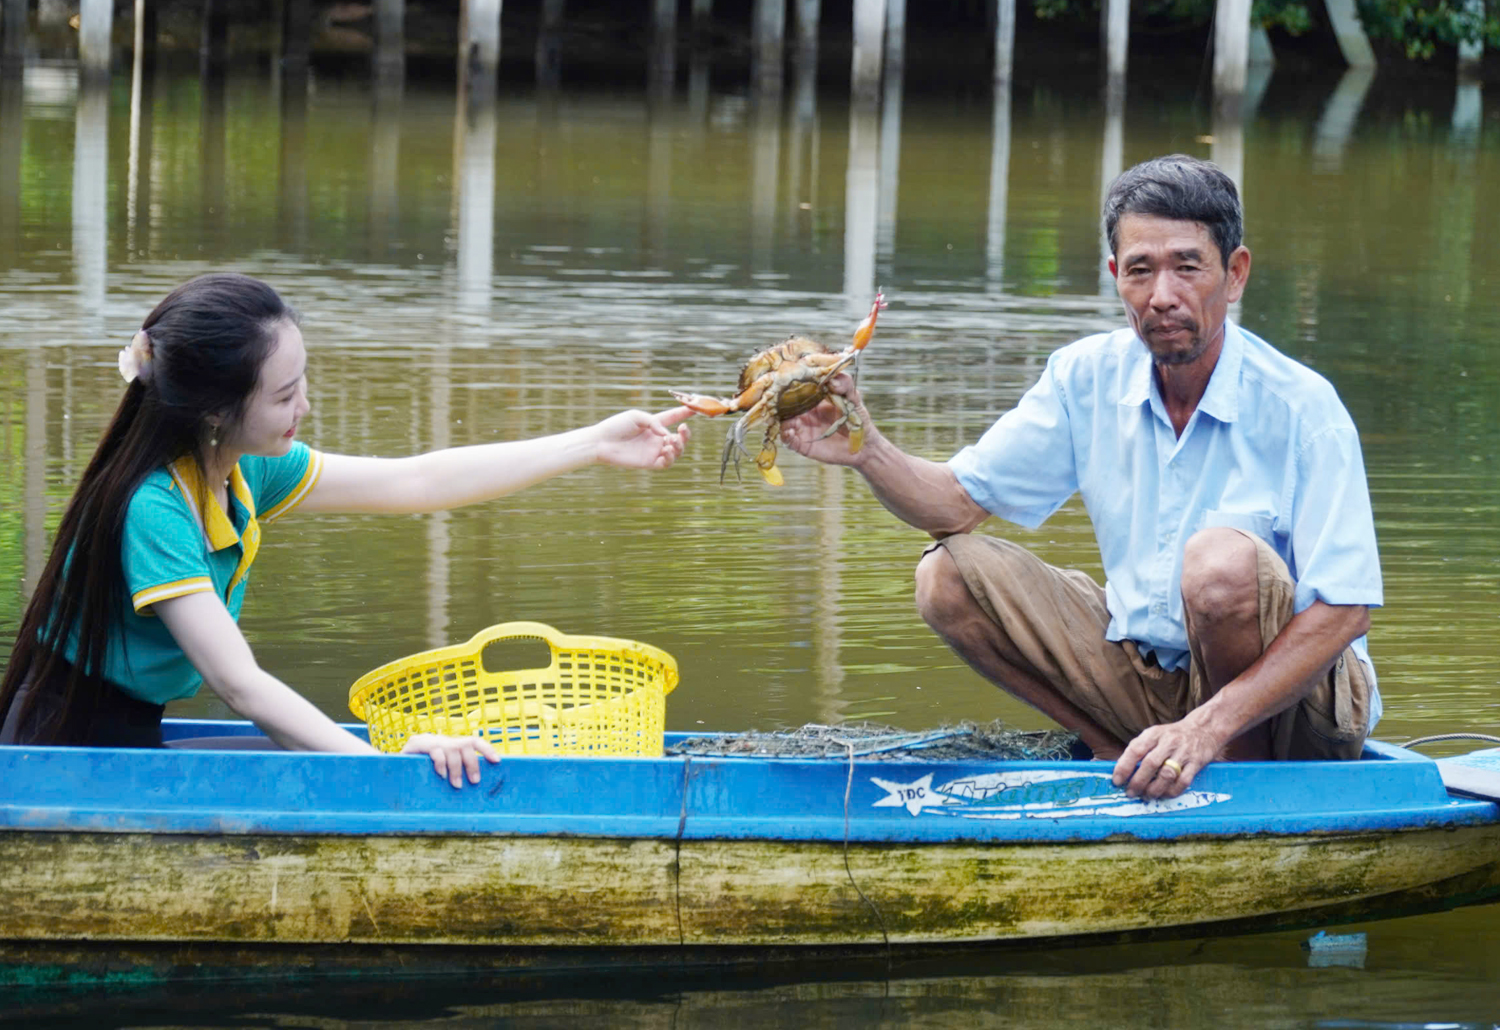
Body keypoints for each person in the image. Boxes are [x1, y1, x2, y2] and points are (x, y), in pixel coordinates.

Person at [781, 154, 1381, 800]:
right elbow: (953, 505)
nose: (1162, 296)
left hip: (1298, 712)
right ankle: (1116, 747)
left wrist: (1207, 727)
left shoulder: (1301, 407)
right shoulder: (1084, 377)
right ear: (1115, 276)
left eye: (1188, 267)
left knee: (1218, 564)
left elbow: (1345, 609)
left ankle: (1245, 780)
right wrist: (868, 449)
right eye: (1141, 271)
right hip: (1150, 678)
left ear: (1234, 275)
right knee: (946, 576)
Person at [0, 273, 692, 787]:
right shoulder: (154, 508)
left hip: (121, 744)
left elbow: (416, 483)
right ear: (216, 412)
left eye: (303, 380)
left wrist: (594, 443)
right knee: (344, 772)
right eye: (283, 394)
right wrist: (383, 773)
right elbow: (239, 685)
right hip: (60, 759)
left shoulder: (239, 469)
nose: (305, 404)